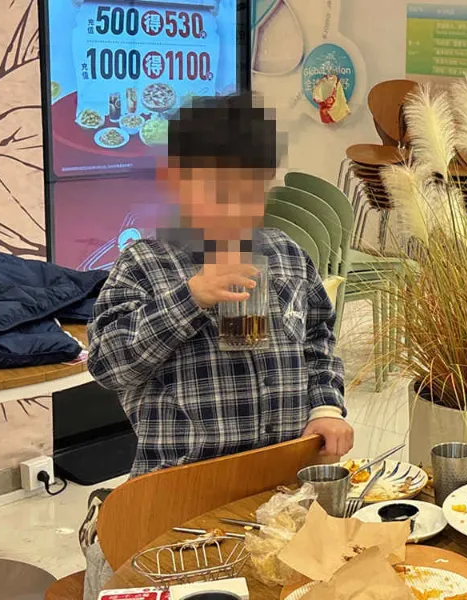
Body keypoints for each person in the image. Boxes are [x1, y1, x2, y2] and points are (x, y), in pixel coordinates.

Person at [79, 92, 352, 598]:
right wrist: (191, 297)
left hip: (280, 490)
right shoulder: (145, 264)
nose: (237, 211)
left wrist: (325, 407)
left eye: (252, 193)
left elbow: (318, 340)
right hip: (178, 498)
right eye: (220, 193)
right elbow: (108, 365)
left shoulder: (288, 255)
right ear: (177, 182)